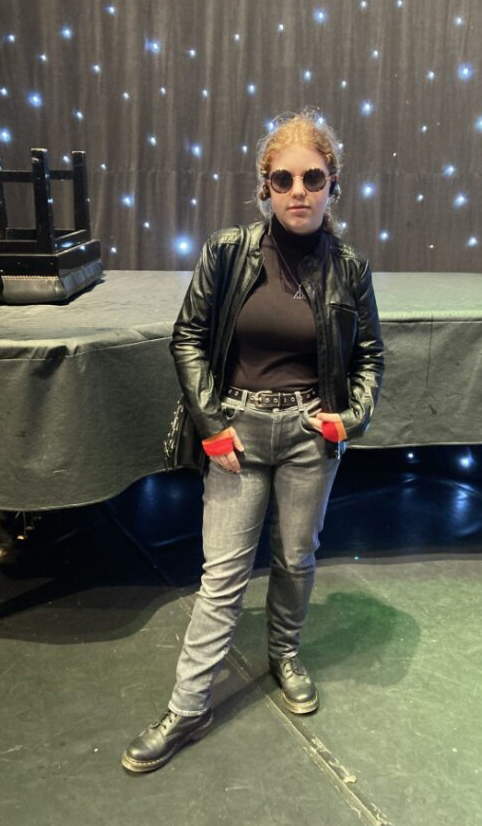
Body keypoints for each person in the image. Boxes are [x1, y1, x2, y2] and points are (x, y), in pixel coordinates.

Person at [122, 109, 385, 773]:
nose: (298, 190)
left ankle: (284, 654)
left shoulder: (350, 267)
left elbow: (370, 355)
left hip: (308, 436)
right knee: (222, 577)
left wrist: (349, 419)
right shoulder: (228, 251)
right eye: (283, 179)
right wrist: (212, 428)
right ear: (264, 186)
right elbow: (187, 337)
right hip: (235, 430)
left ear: (333, 185)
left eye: (312, 178)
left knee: (296, 559)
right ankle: (188, 706)